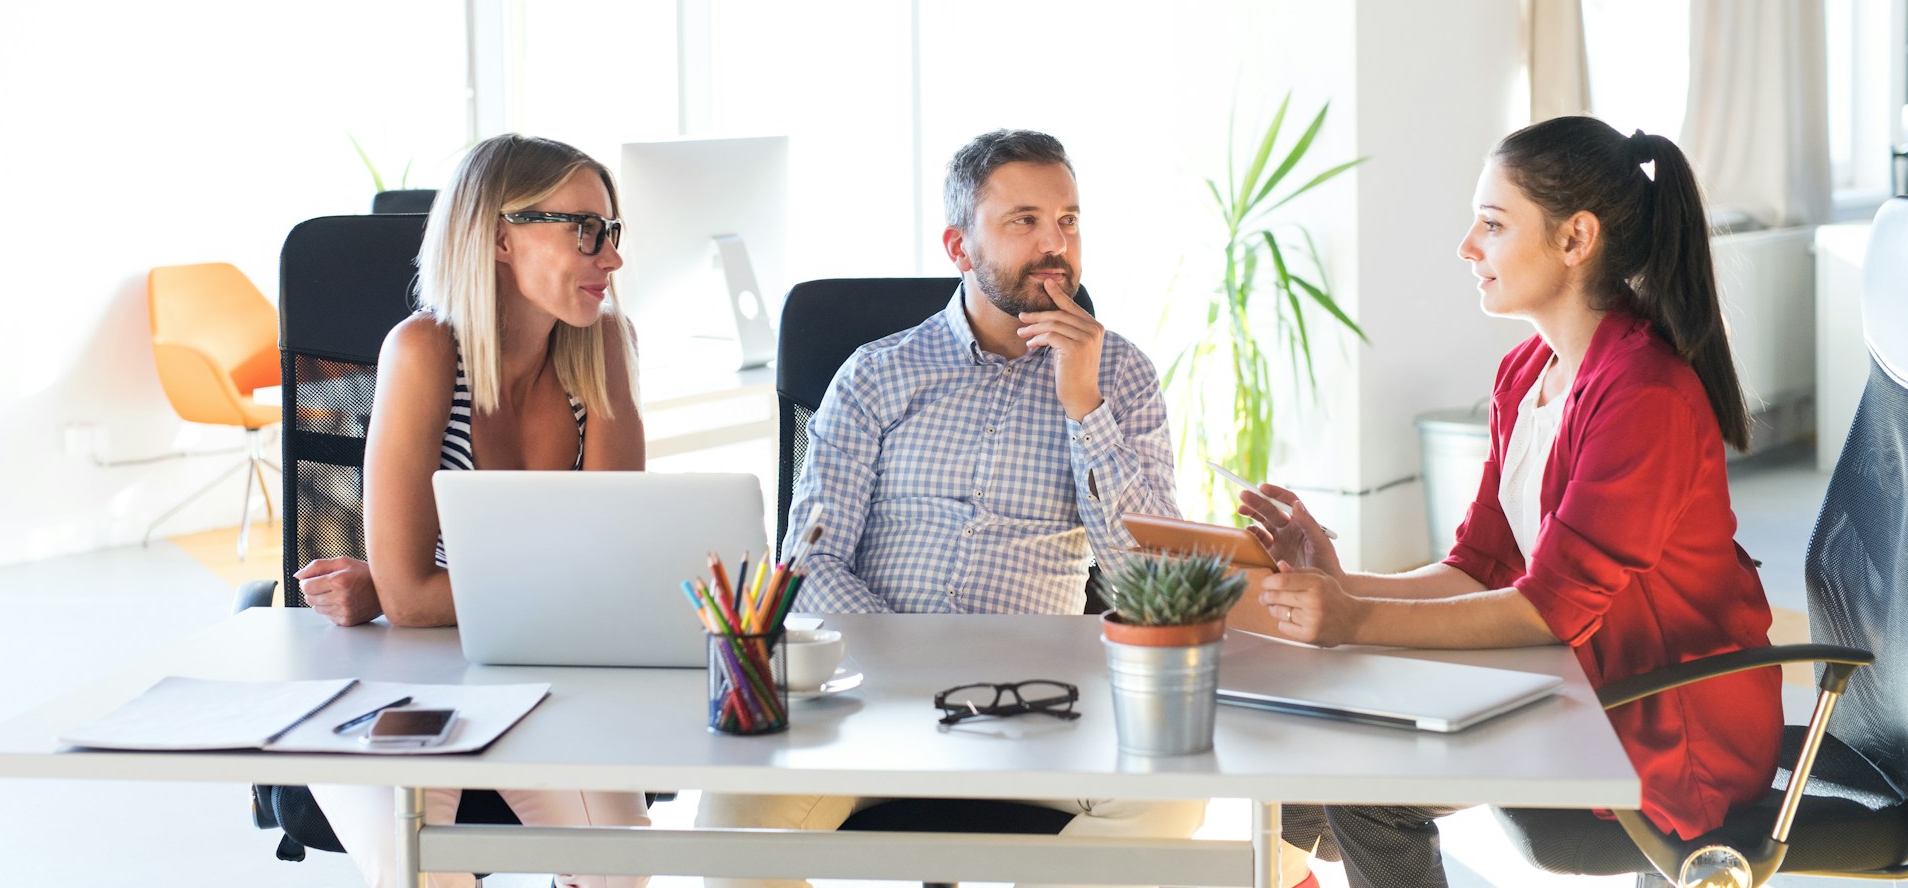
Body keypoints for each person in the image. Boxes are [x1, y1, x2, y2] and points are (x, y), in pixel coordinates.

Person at [1246, 116, 1782, 888]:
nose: (1468, 246)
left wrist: (1354, 619)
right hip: (1576, 685)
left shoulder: (1645, 395)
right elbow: (1479, 567)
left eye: (1493, 224)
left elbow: (1549, 610)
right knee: (1301, 776)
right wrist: (1340, 584)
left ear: (1576, 239)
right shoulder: (1526, 374)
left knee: (1364, 793)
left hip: (1658, 728)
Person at [695, 128, 1224, 888]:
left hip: (1035, 706)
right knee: (733, 820)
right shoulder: (876, 374)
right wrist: (912, 662)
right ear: (958, 246)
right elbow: (808, 560)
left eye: (1068, 220)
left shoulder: (1122, 376)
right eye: (1024, 221)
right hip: (872, 699)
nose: (1055, 244)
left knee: (1170, 803)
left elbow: (1148, 579)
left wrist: (1085, 405)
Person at [300, 133, 652, 888]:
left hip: (538, 671)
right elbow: (409, 602)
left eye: (611, 231)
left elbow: (615, 571)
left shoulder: (603, 349)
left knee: (619, 869)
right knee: (424, 867)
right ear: (499, 238)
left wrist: (416, 591)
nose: (612, 258)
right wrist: (404, 594)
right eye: (585, 230)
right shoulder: (424, 352)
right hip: (403, 672)